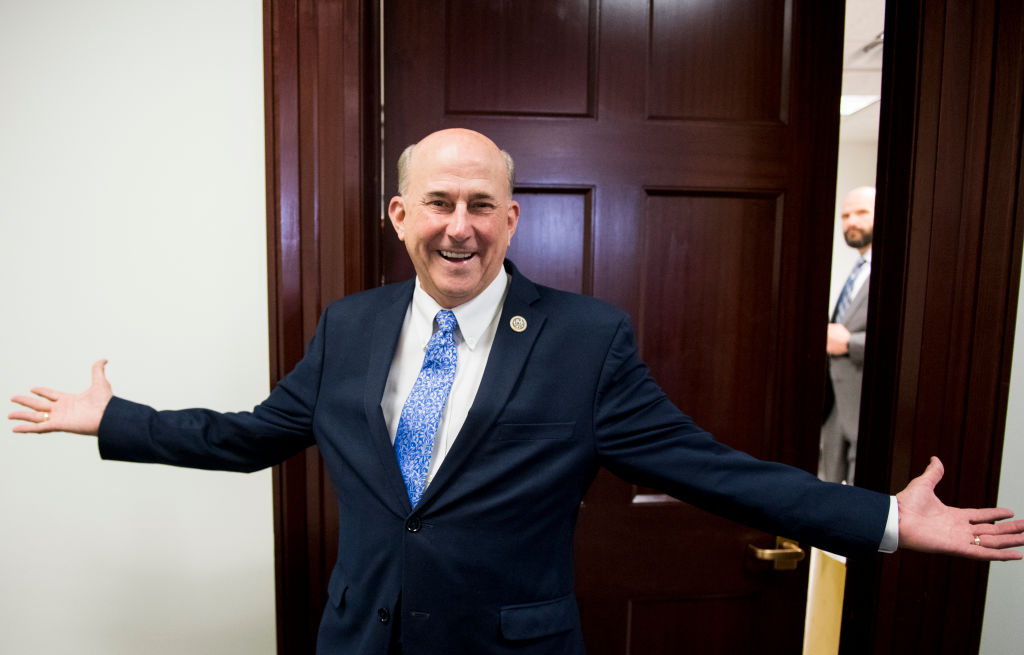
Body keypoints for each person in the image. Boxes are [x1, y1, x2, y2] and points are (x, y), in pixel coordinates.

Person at [9, 129, 1024, 654]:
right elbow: (253, 433)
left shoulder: (585, 339)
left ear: (513, 217)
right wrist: (116, 418)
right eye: (439, 203)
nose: (460, 224)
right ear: (400, 214)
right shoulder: (348, 325)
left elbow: (706, 468)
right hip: (361, 637)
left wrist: (881, 518)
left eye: (481, 204)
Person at [820, 186, 876, 484]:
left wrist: (849, 344)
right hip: (834, 403)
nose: (851, 221)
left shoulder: (894, 270)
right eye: (845, 215)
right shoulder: (858, 269)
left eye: (861, 213)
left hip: (865, 402)